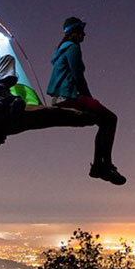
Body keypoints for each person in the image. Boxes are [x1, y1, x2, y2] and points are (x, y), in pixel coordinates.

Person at [47, 17, 126, 185]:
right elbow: (78, 76)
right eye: (81, 31)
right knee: (111, 119)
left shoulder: (62, 49)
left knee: (104, 121)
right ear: (74, 32)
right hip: (68, 97)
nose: (84, 34)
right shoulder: (73, 48)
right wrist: (89, 98)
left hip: (59, 97)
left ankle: (101, 166)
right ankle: (102, 166)